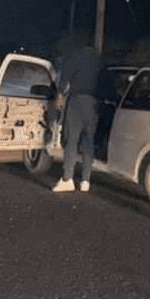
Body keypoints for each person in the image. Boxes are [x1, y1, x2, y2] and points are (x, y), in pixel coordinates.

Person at [51, 41, 104, 192]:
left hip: (77, 102)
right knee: (88, 142)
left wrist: (60, 95)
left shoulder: (74, 56)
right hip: (93, 104)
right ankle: (85, 180)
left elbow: (64, 78)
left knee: (72, 140)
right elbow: (105, 83)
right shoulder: (99, 61)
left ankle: (68, 179)